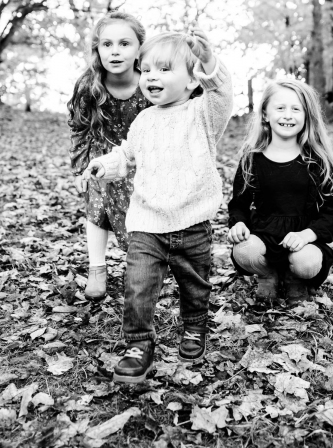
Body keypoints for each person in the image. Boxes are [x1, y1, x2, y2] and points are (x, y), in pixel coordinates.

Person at [82, 29, 233, 383]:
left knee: (195, 285)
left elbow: (223, 91)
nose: (151, 76)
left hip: (192, 222)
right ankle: (138, 344)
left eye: (164, 69)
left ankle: (194, 327)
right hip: (147, 223)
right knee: (137, 286)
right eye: (146, 69)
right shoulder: (144, 121)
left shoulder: (203, 114)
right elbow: (127, 156)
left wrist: (208, 59)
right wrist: (106, 165)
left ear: (192, 80)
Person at [228, 79, 333, 306]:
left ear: (306, 116)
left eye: (296, 109)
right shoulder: (252, 160)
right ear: (265, 115)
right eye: (280, 108)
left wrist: (306, 236)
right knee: (244, 251)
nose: (288, 115)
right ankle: (267, 273)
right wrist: (238, 224)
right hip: (264, 237)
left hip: (303, 242)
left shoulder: (317, 162)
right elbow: (238, 204)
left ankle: (295, 278)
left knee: (307, 262)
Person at [67, 11, 150, 301]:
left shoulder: (150, 84)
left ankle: (143, 265)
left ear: (140, 48)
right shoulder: (89, 86)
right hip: (101, 155)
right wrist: (80, 170)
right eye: (107, 44)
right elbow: (79, 128)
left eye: (125, 43)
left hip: (142, 160)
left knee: (139, 213)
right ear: (97, 49)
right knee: (96, 198)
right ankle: (97, 268)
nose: (115, 51)